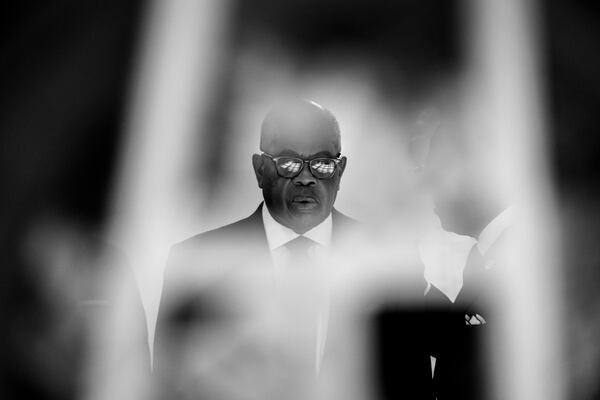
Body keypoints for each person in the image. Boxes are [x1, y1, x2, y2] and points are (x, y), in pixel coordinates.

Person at [152, 100, 358, 399]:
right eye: (288, 163)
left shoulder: (381, 259)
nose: (306, 177)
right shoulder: (198, 261)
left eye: (323, 163)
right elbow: (167, 381)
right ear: (260, 169)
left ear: (340, 171)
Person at [418, 111, 514, 400]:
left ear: (476, 166)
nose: (428, 188)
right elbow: (454, 338)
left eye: (436, 172)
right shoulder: (486, 255)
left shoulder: (522, 256)